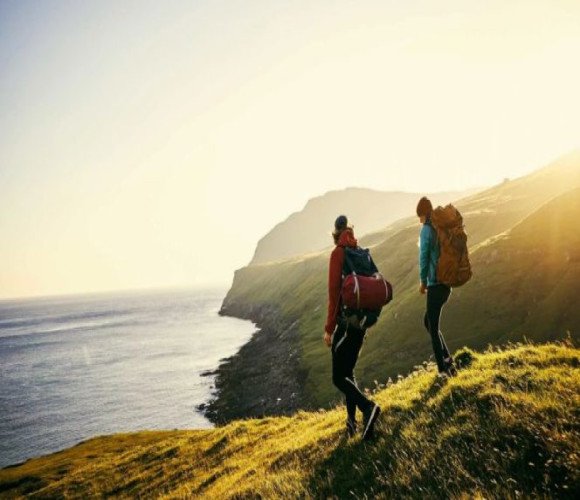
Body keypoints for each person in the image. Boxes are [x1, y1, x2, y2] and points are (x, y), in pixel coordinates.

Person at [324, 215, 380, 439]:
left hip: (346, 324)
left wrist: (329, 329)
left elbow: (333, 295)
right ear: (350, 232)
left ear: (336, 234)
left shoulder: (338, 254)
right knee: (348, 372)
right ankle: (351, 423)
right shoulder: (361, 252)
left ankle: (368, 408)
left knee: (338, 378)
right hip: (362, 323)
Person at [416, 197, 457, 377]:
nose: (419, 220)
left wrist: (423, 281)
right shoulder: (440, 227)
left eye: (420, 216)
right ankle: (447, 359)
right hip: (446, 284)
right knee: (428, 321)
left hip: (435, 284)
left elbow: (424, 258)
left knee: (432, 328)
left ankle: (443, 371)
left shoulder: (426, 230)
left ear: (424, 214)